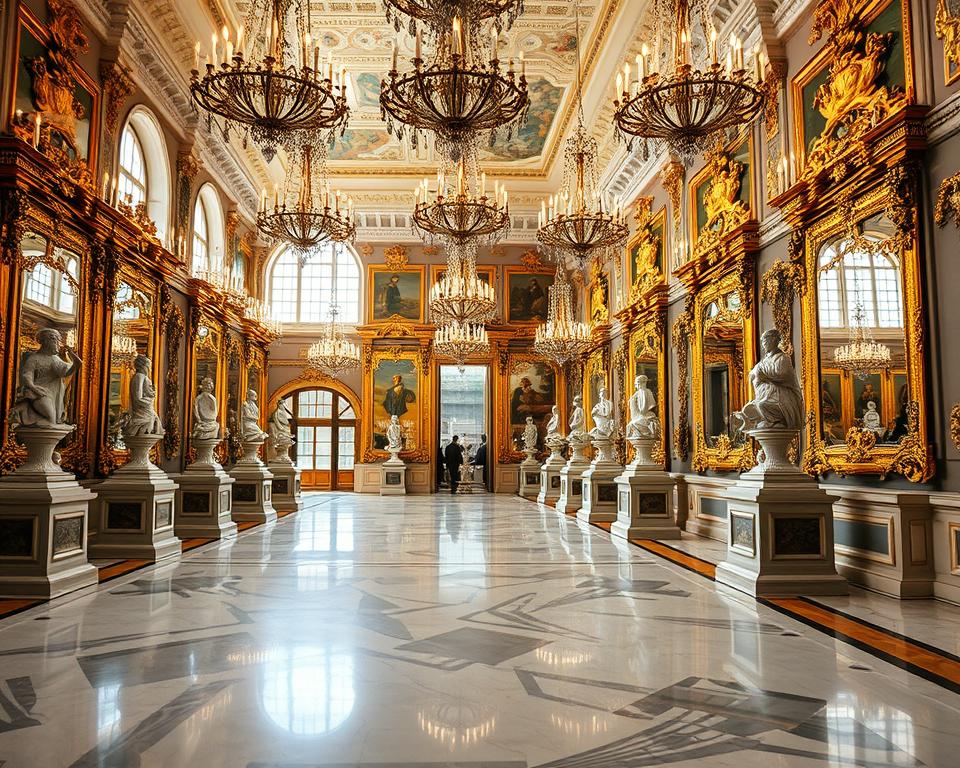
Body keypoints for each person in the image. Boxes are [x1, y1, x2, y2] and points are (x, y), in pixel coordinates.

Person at [9, 327, 81, 427]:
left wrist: (73, 357)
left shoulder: (55, 359)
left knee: (52, 421)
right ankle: (21, 413)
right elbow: (27, 375)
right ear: (46, 341)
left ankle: (23, 413)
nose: (58, 344)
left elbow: (67, 371)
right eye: (55, 341)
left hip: (52, 394)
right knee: (51, 422)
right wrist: (34, 388)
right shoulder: (34, 358)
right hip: (38, 393)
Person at [735, 328, 804, 431]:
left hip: (781, 396)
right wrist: (757, 375)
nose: (763, 344)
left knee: (762, 405)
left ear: (774, 340)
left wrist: (765, 376)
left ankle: (775, 421)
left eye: (765, 341)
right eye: (763, 341)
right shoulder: (765, 360)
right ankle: (765, 421)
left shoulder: (783, 358)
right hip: (766, 395)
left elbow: (782, 375)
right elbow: (753, 374)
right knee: (748, 408)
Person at [124, 355, 163, 436]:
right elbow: (137, 398)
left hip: (146, 410)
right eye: (148, 366)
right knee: (146, 433)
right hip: (144, 412)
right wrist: (150, 402)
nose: (149, 369)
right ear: (143, 366)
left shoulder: (140, 376)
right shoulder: (139, 376)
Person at [626, 375, 659, 439]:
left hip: (642, 415)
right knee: (631, 424)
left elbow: (644, 407)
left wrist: (641, 412)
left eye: (636, 384)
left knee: (633, 423)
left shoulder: (645, 391)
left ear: (639, 383)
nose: (635, 386)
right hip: (638, 415)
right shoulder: (639, 392)